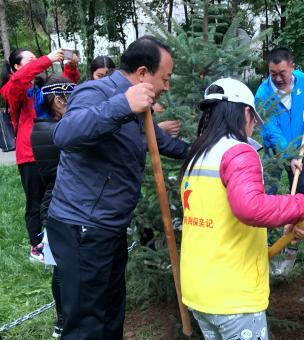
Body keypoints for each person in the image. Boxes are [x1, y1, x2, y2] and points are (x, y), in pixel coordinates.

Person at [46, 36, 189, 340]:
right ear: (141, 73)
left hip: (109, 227)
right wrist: (123, 104)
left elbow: (163, 143)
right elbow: (65, 133)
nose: (166, 86)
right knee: (86, 324)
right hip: (82, 227)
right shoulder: (97, 92)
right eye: (164, 78)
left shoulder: (140, 106)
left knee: (111, 313)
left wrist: (209, 148)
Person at [180, 78, 304, 339]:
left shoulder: (197, 153)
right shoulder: (238, 152)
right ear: (245, 112)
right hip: (232, 293)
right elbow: (250, 207)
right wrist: (301, 205)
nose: (254, 125)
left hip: (198, 290)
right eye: (253, 117)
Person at [0, 48, 79, 262]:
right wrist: (46, 59)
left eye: (37, 58)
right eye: (31, 59)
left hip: (54, 149)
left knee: (57, 196)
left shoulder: (43, 87)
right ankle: (36, 247)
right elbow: (17, 82)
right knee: (35, 201)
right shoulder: (13, 88)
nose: (37, 61)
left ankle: (57, 239)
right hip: (30, 155)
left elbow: (66, 87)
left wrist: (70, 67)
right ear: (16, 66)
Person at [30, 74, 76, 338]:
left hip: (55, 205)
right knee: (61, 270)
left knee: (61, 268)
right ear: (59, 101)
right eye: (73, 100)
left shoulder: (45, 126)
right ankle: (63, 320)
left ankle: (63, 320)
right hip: (57, 207)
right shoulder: (54, 131)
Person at [255, 47, 304, 194]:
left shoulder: (301, 79)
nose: (278, 78)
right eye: (273, 74)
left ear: (292, 67)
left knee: (298, 189)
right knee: (268, 191)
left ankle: (297, 216)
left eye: (282, 73)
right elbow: (272, 131)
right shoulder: (263, 94)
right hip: (274, 149)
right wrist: (290, 156)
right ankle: (269, 216)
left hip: (299, 145)